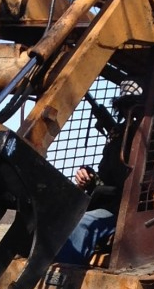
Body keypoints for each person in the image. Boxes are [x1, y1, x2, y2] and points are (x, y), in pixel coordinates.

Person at [55, 88, 141, 265]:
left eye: (132, 106)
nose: (128, 114)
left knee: (84, 222)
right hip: (109, 202)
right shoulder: (118, 137)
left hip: (130, 209)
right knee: (56, 214)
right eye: (124, 106)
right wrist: (88, 176)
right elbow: (106, 177)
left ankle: (62, 276)